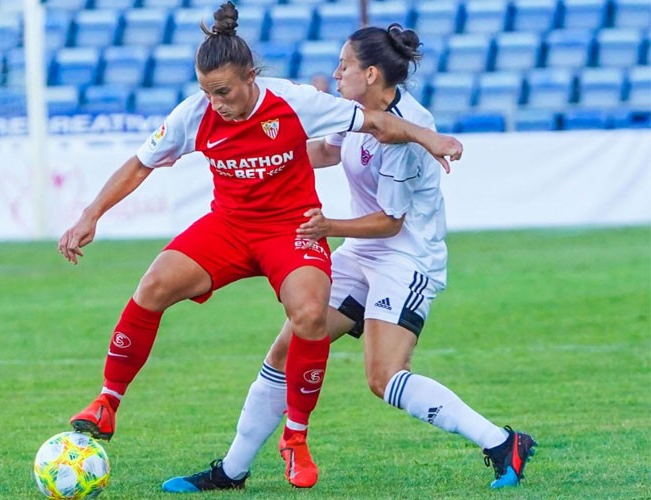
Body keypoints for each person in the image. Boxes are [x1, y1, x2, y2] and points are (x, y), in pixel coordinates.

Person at [59, 3, 462, 490]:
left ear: (251, 77)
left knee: (311, 315)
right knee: (153, 285)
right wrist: (90, 214)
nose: (216, 103)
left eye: (224, 91)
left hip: (291, 231)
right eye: (207, 91)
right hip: (228, 227)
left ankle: (295, 438)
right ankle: (106, 402)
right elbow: (140, 164)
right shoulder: (195, 112)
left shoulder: (294, 102)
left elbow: (376, 122)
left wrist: (429, 137)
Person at [162, 24, 535, 493]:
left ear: (372, 73)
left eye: (345, 65)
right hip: (361, 252)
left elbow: (390, 222)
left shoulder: (403, 130)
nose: (336, 72)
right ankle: (232, 471)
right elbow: (322, 153)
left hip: (406, 258)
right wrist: (261, 141)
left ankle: (503, 442)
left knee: (384, 378)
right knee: (289, 345)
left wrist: (327, 226)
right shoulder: (354, 113)